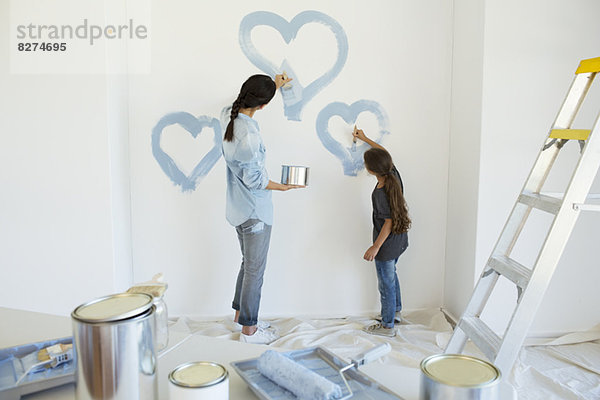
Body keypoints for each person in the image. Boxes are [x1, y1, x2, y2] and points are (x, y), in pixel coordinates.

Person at [222, 73, 303, 344]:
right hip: (255, 211)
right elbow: (255, 180)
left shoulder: (229, 117)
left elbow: (243, 106)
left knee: (248, 265)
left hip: (238, 208)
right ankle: (250, 332)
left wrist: (273, 87)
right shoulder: (250, 135)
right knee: (255, 270)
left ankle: (241, 318)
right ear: (263, 105)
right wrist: (284, 187)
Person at [353, 127, 411, 337]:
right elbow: (384, 152)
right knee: (391, 277)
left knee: (385, 284)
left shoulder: (381, 192)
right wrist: (365, 138)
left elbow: (388, 221)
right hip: (400, 240)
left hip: (386, 244)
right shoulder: (393, 175)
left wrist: (375, 247)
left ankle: (387, 326)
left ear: (370, 170)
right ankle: (395, 313)